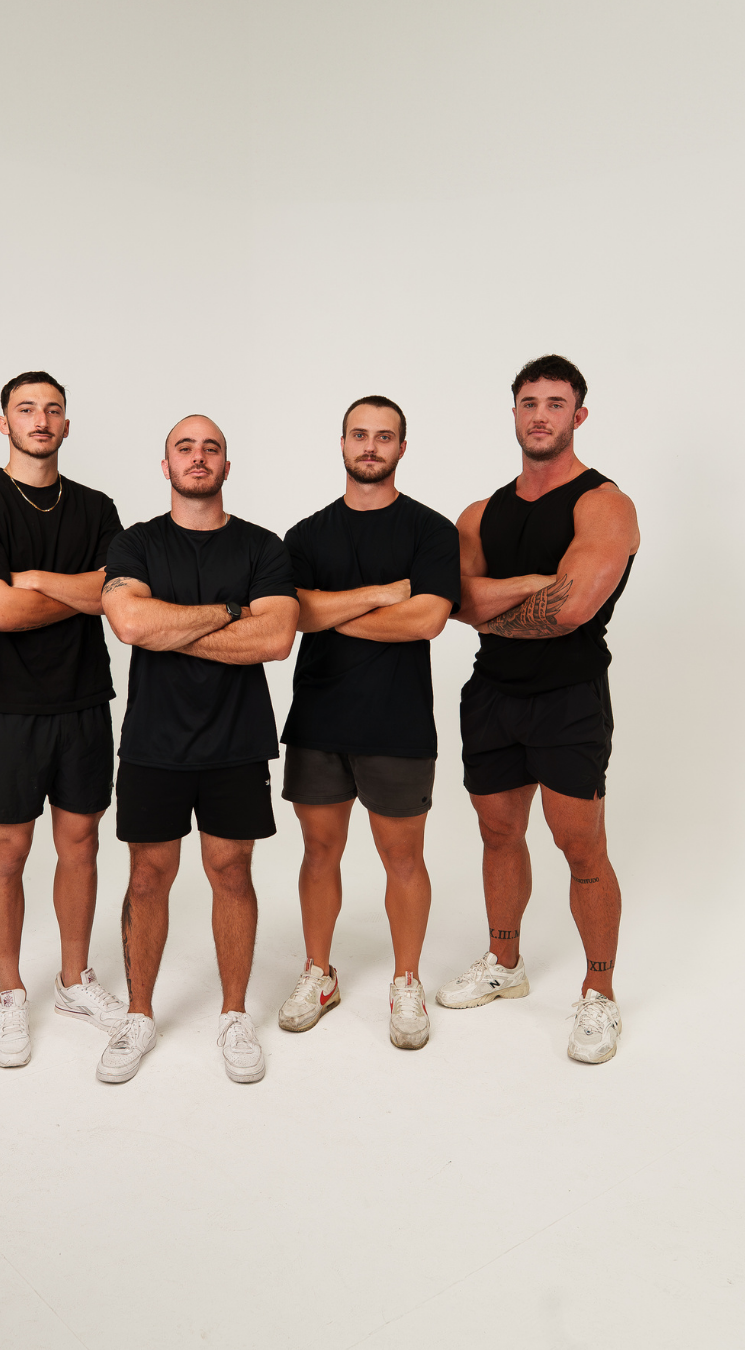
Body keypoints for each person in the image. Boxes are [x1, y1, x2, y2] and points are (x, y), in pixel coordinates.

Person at [437, 354, 639, 1064]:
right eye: (530, 403)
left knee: (579, 845)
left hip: (569, 698)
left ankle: (600, 991)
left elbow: (574, 610)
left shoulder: (604, 504)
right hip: (491, 694)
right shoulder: (479, 513)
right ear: (514, 413)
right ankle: (505, 963)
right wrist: (534, 585)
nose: (542, 415)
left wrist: (491, 601)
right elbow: (451, 604)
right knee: (498, 833)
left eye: (556, 404)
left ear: (578, 416)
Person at [100, 415, 299, 1084]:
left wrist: (171, 626)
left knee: (231, 874)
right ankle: (138, 1015)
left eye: (210, 447)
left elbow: (275, 641)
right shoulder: (135, 543)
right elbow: (129, 622)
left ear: (226, 465)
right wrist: (230, 611)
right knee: (147, 878)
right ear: (166, 466)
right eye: (184, 447)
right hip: (154, 743)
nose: (197, 457)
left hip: (236, 742)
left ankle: (234, 1015)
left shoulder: (262, 547)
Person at [0, 371, 128, 1069]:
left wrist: (38, 581)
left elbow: (117, 597)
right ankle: (9, 992)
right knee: (8, 852)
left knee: (80, 842)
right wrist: (79, 592)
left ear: (66, 424)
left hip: (83, 699)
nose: (41, 419)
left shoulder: (96, 507)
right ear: (5, 423)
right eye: (26, 409)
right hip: (6, 705)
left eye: (53, 408)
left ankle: (75, 982)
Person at [278, 396, 460, 1049]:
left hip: (399, 723)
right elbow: (292, 616)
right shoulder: (304, 537)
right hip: (318, 722)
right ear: (342, 442)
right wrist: (384, 594)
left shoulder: (432, 533)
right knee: (319, 851)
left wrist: (331, 610)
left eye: (385, 437)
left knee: (402, 858)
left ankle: (405, 980)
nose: (371, 446)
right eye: (361, 434)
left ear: (402, 448)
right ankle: (317, 972)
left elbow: (429, 620)